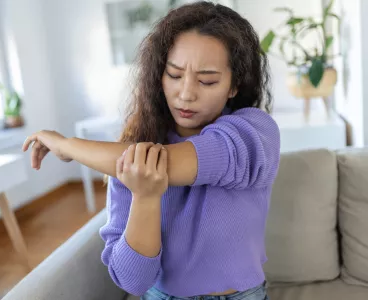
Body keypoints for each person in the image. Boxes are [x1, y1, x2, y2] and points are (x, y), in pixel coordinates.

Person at [22, 1, 280, 299]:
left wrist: (67, 146)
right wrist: (145, 197)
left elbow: (167, 164)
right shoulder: (131, 148)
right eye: (173, 75)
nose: (185, 94)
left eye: (207, 80)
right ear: (158, 76)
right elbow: (132, 281)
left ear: (235, 85)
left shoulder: (254, 132)